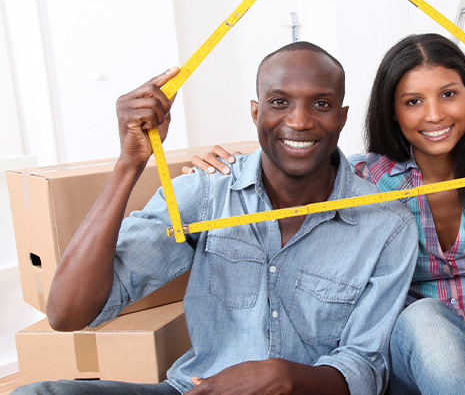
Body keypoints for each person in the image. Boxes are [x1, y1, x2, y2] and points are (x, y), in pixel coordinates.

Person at [186, 33, 465, 395]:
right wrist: (220, 170)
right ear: (393, 111)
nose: (435, 114)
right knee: (424, 317)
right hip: (417, 362)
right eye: (413, 101)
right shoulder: (364, 179)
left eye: (448, 94)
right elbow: (292, 149)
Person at [14, 42, 418, 395]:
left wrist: (283, 378)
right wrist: (129, 164)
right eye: (279, 102)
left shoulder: (386, 222)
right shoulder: (206, 192)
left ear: (342, 117)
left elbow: (366, 366)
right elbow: (67, 313)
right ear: (255, 112)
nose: (299, 121)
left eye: (321, 104)